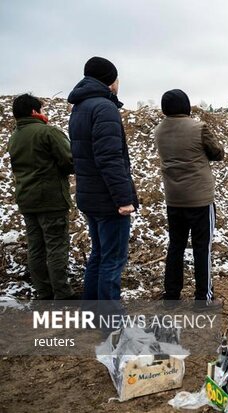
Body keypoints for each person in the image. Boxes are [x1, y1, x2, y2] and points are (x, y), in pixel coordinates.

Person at [68, 56, 139, 301]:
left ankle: (92, 311)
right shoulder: (104, 108)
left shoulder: (80, 107)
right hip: (108, 200)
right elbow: (109, 158)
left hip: (90, 195)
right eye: (117, 78)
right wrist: (123, 199)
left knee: (98, 255)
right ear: (109, 81)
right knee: (112, 260)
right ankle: (110, 322)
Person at [154, 89, 224, 306]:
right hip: (200, 199)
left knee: (175, 246)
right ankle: (203, 298)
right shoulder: (199, 127)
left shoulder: (158, 131)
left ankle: (172, 295)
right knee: (202, 248)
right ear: (186, 105)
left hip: (174, 198)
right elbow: (218, 153)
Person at [8, 94, 76, 300]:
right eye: (42, 110)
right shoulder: (48, 132)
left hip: (27, 200)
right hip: (51, 199)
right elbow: (69, 160)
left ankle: (43, 292)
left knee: (36, 247)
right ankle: (62, 294)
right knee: (56, 246)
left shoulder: (15, 136)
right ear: (34, 112)